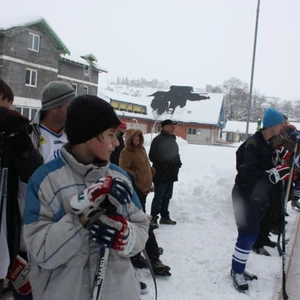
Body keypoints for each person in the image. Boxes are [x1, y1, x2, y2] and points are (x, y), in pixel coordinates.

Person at [23, 95, 149, 300]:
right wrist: (81, 217)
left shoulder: (120, 178)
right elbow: (41, 252)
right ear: (88, 137)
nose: (116, 143)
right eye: (110, 135)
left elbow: (141, 228)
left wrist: (127, 237)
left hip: (119, 292)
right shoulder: (46, 180)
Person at [231, 107, 290, 292]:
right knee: (248, 233)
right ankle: (237, 271)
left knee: (251, 234)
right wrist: (272, 174)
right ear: (272, 125)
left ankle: (238, 267)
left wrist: (277, 164)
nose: (283, 127)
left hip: (257, 197)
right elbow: (247, 173)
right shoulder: (252, 145)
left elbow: (267, 166)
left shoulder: (266, 143)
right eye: (281, 124)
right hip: (244, 195)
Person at [0, 79, 42, 299]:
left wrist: (21, 141)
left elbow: (34, 173)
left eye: (7, 109)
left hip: (7, 233)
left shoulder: (11, 139)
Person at [119, 128, 171, 276]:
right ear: (129, 139)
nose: (137, 140)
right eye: (134, 138)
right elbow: (123, 169)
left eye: (139, 137)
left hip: (145, 189)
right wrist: (136, 176)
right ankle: (152, 257)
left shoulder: (141, 149)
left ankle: (136, 256)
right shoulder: (126, 152)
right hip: (136, 190)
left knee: (139, 223)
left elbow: (145, 164)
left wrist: (150, 171)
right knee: (142, 224)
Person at [30, 81, 75, 163]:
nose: (74, 111)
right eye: (70, 106)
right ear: (54, 107)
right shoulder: (30, 135)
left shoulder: (74, 134)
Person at [149, 119, 182, 227]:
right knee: (158, 197)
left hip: (171, 174)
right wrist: (165, 162)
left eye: (174, 126)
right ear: (165, 127)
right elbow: (152, 156)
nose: (173, 128)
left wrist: (178, 164)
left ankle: (164, 217)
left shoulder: (173, 140)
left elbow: (176, 154)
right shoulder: (157, 140)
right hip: (160, 174)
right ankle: (153, 217)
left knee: (167, 196)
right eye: (171, 126)